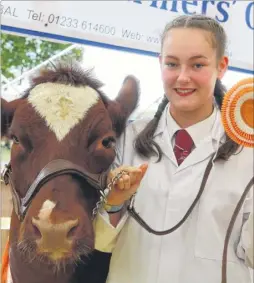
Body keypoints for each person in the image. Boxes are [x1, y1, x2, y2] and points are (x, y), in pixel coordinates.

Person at [93, 14, 253, 283]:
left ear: (222, 66)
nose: (182, 77)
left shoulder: (247, 152)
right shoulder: (124, 140)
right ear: (159, 63)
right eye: (172, 64)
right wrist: (115, 201)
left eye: (198, 65)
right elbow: (98, 241)